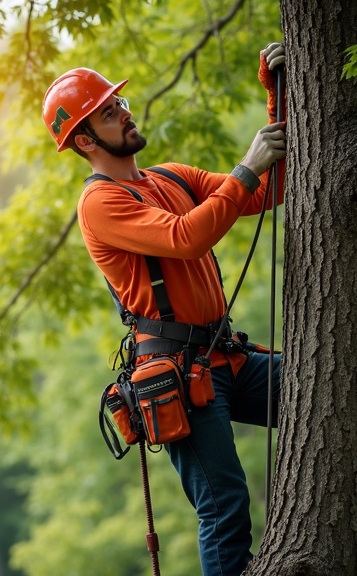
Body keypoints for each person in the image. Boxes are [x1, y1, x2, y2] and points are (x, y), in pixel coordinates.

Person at [42, 42, 287, 576]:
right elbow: (187, 237)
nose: (125, 113)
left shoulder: (170, 178)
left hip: (228, 358)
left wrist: (278, 99)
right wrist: (248, 165)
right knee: (224, 506)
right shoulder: (101, 204)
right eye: (110, 112)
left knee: (323, 387)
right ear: (84, 140)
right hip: (179, 376)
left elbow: (264, 192)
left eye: (120, 105)